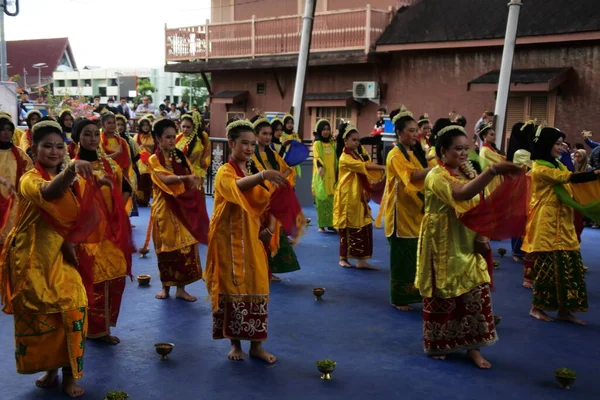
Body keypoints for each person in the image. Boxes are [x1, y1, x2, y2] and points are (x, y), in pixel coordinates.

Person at [0, 119, 109, 397]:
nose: (54, 152)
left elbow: (88, 212)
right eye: (47, 146)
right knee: (43, 317)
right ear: (34, 150)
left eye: (59, 147)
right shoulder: (29, 179)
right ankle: (51, 368)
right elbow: (49, 193)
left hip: (64, 255)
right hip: (33, 259)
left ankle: (70, 375)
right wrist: (72, 169)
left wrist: (98, 185)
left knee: (75, 307)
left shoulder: (72, 180)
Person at [415, 122, 520, 368]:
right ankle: (439, 343)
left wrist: (483, 234)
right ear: (442, 151)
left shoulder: (467, 171)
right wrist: (492, 171)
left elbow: (479, 204)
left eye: (465, 149)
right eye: (457, 149)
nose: (463, 154)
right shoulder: (436, 175)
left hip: (468, 239)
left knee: (475, 292)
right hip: (442, 241)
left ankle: (473, 347)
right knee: (443, 292)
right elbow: (461, 194)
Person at [204, 118, 289, 363]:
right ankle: (235, 344)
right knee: (232, 288)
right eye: (244, 143)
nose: (250, 148)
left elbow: (271, 202)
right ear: (231, 143)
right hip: (227, 242)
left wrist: (270, 229)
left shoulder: (253, 171)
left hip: (252, 239)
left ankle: (256, 345)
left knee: (258, 286)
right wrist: (263, 175)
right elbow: (235, 188)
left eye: (252, 144)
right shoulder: (225, 171)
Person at [522, 125, 600, 325]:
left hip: (563, 222)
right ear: (546, 144)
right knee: (547, 268)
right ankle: (536, 308)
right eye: (557, 143)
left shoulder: (558, 165)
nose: (561, 146)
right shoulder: (540, 168)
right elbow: (568, 178)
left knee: (569, 266)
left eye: (561, 143)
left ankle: (565, 310)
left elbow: (570, 181)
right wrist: (595, 174)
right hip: (547, 222)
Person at [71, 119, 134, 344]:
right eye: (86, 134)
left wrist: (117, 213)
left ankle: (103, 328)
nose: (92, 138)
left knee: (114, 277)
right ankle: (90, 328)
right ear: (77, 137)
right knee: (91, 279)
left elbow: (126, 188)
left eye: (94, 135)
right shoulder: (72, 168)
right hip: (86, 235)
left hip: (110, 233)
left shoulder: (109, 165)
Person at [376, 107, 435, 311]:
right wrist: (438, 169)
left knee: (414, 256)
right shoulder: (394, 155)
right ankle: (398, 297)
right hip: (400, 215)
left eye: (415, 130)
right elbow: (412, 176)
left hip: (415, 211)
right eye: (410, 130)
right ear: (399, 133)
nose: (415, 134)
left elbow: (422, 171)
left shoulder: (415, 153)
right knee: (401, 258)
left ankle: (415, 292)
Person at [149, 118, 209, 302]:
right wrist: (187, 178)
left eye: (173, 136)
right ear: (158, 139)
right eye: (167, 137)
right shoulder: (153, 159)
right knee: (165, 249)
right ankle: (165, 288)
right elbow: (165, 180)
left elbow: (191, 175)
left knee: (185, 246)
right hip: (164, 210)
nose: (171, 140)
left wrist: (193, 183)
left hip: (182, 207)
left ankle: (181, 289)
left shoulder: (179, 156)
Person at [250, 115, 300, 282]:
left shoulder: (272, 153)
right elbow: (256, 176)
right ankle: (260, 271)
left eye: (269, 134)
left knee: (271, 236)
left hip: (274, 198)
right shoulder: (252, 155)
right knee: (259, 236)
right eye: (264, 133)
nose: (267, 137)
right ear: (255, 135)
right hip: (259, 201)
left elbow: (287, 170)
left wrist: (278, 179)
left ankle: (267, 271)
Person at [333, 122, 385, 269]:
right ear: (345, 141)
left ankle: (362, 261)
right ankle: (343, 258)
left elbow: (367, 162)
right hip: (348, 197)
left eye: (358, 139)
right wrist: (382, 167)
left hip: (359, 196)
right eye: (353, 140)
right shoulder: (345, 157)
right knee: (346, 227)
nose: (356, 142)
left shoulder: (358, 154)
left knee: (365, 226)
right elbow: (365, 167)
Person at [0, 116, 33, 247]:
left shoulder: (19, 154)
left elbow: (30, 173)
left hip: (15, 200)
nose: (6, 132)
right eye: (2, 129)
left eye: (9, 129)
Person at [312, 119, 337, 233]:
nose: (326, 132)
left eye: (328, 129)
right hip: (321, 175)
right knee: (322, 199)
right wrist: (320, 167)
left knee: (331, 200)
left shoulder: (332, 144)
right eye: (324, 129)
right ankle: (321, 225)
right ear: (319, 131)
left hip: (332, 176)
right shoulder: (317, 143)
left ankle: (331, 224)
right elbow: (317, 157)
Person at [175, 111, 211, 188]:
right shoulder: (178, 138)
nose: (185, 129)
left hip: (191, 175)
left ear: (194, 127)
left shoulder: (197, 142)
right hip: (178, 174)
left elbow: (189, 162)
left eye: (188, 127)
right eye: (183, 126)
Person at [133, 116, 154, 206]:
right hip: (140, 160)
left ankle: (146, 199)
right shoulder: (137, 136)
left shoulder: (153, 136)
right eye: (143, 125)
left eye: (147, 125)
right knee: (142, 178)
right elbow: (134, 148)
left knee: (149, 180)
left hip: (151, 159)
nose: (145, 127)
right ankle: (139, 199)